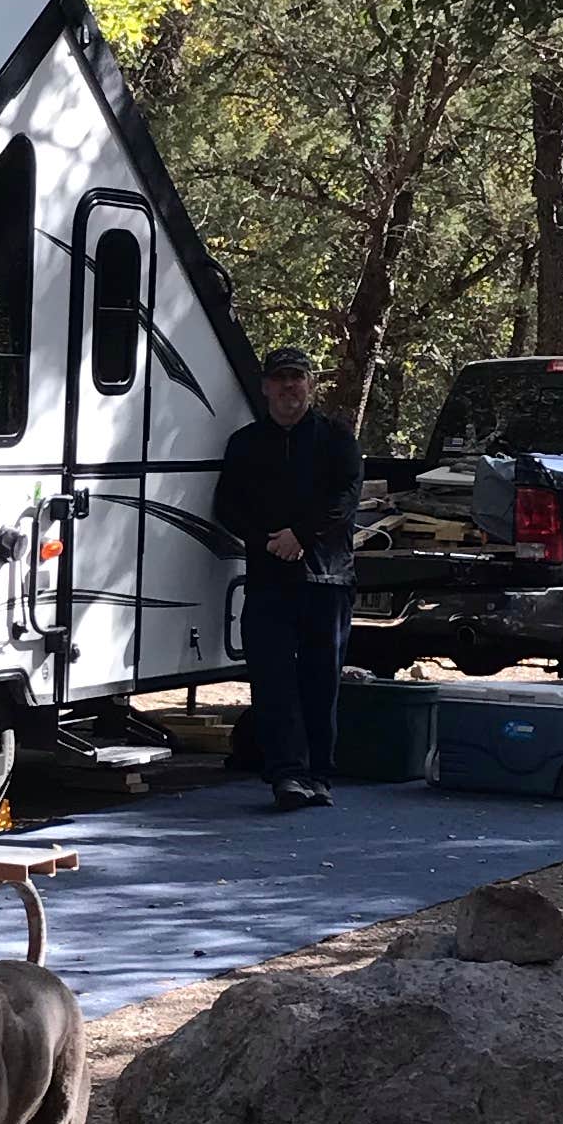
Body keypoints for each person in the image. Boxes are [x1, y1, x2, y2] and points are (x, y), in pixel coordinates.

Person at [213, 346, 363, 808]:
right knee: (273, 680)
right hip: (269, 581)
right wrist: (267, 541)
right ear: (265, 388)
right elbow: (226, 508)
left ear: (310, 385)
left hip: (328, 580)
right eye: (280, 379)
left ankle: (320, 774)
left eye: (297, 378)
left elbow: (346, 500)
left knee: (321, 681)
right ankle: (287, 775)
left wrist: (301, 535)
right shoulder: (245, 443)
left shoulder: (338, 439)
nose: (288, 387)